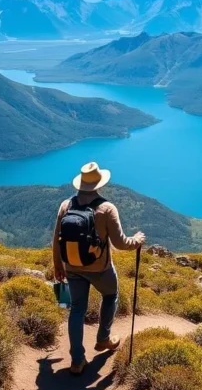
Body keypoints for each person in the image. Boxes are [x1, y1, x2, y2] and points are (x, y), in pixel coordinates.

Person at [52, 161, 145, 375]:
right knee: (111, 296)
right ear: (99, 184)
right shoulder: (106, 208)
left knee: (76, 309)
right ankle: (103, 339)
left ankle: (77, 360)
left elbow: (56, 240)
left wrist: (58, 265)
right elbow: (121, 243)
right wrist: (137, 240)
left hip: (72, 267)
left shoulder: (66, 205)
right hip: (100, 269)